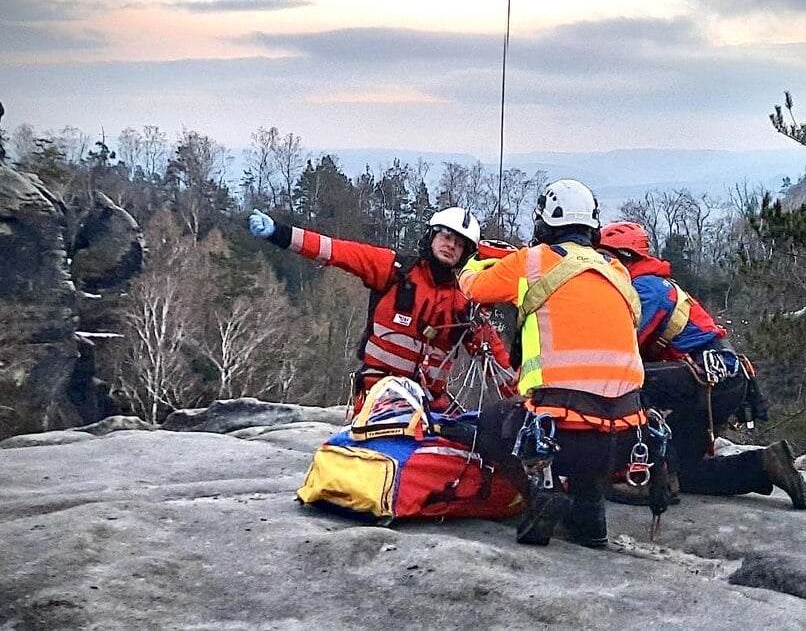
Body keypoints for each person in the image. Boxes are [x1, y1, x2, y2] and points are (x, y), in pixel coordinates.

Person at [458, 179, 666, 548]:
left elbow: (474, 287)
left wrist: (472, 261)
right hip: (627, 440)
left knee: (491, 423)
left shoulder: (530, 261)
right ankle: (589, 518)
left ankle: (543, 494)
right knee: (592, 431)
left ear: (544, 223)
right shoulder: (616, 270)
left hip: (562, 436)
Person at [597, 221, 806, 509]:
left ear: (625, 257)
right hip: (721, 379)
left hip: (709, 378)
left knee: (630, 382)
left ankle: (655, 480)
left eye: (604, 257)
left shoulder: (644, 289)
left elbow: (620, 349)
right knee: (688, 471)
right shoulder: (650, 284)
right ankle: (765, 464)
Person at [248, 206, 515, 415]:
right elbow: (336, 251)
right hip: (379, 396)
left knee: (474, 445)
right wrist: (279, 233)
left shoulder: (465, 303)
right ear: (431, 237)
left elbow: (499, 362)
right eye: (446, 237)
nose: (451, 246)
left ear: (466, 254)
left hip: (430, 405)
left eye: (459, 244)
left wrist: (527, 403)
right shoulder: (395, 270)